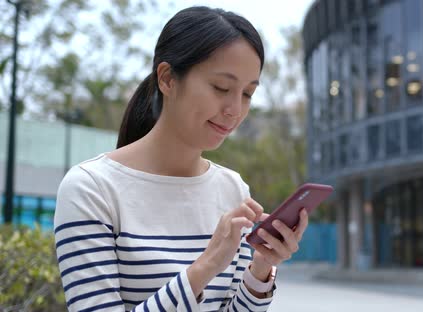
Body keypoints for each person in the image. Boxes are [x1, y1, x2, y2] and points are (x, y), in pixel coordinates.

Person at [53, 6, 307, 312]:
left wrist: (261, 269)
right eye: (221, 88)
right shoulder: (91, 189)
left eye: (247, 94)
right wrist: (206, 266)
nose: (234, 110)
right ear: (168, 79)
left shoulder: (233, 189)